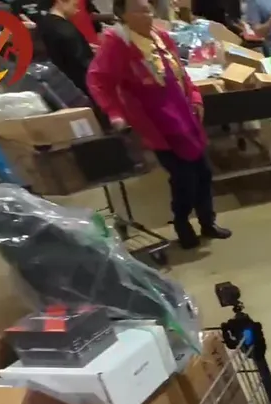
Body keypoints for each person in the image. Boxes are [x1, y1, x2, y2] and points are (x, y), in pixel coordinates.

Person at [87, 0, 231, 250]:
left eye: (148, 9)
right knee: (184, 177)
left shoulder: (161, 36)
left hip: (184, 115)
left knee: (203, 172)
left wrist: (195, 97)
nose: (147, 15)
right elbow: (98, 80)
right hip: (157, 122)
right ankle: (182, 223)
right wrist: (114, 113)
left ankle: (208, 221)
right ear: (122, 15)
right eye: (138, 10)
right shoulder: (117, 42)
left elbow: (181, 73)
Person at [35, 0, 96, 94]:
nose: (78, 10)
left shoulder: (44, 22)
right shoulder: (67, 31)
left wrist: (84, 45)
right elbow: (85, 62)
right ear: (61, 2)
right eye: (74, 5)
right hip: (78, 86)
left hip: (58, 82)